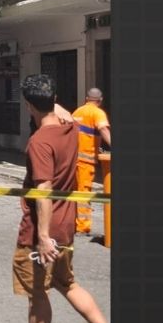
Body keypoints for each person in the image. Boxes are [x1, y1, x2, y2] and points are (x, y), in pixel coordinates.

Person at [0, 74, 112, 323]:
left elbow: (44, 191)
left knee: (38, 293)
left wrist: (43, 237)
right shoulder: (69, 128)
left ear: (28, 105)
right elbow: (56, 110)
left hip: (42, 232)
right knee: (68, 284)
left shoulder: (39, 142)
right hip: (67, 226)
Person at [70, 88, 112, 236]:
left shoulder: (77, 112)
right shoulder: (98, 113)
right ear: (100, 101)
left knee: (74, 192)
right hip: (85, 161)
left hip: (73, 159)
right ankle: (83, 227)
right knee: (84, 193)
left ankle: (72, 223)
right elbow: (103, 130)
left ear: (86, 98)